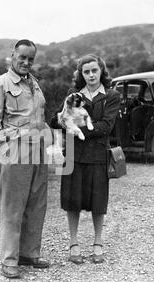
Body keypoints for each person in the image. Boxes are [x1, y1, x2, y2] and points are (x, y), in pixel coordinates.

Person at [0, 39, 50, 278]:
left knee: (36, 203)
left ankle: (30, 253)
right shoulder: (0, 84)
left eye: (31, 59)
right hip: (14, 151)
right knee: (13, 207)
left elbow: (39, 117)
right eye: (22, 57)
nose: (26, 62)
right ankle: (9, 260)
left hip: (38, 150)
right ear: (12, 56)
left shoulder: (35, 85)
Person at [50, 54, 121, 264]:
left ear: (101, 71)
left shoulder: (111, 96)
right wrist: (62, 122)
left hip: (98, 154)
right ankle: (73, 244)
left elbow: (105, 126)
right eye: (86, 71)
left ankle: (98, 243)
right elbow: (57, 118)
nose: (91, 75)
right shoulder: (73, 94)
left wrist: (73, 127)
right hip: (73, 154)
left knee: (98, 202)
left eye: (94, 70)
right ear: (81, 74)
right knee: (73, 201)